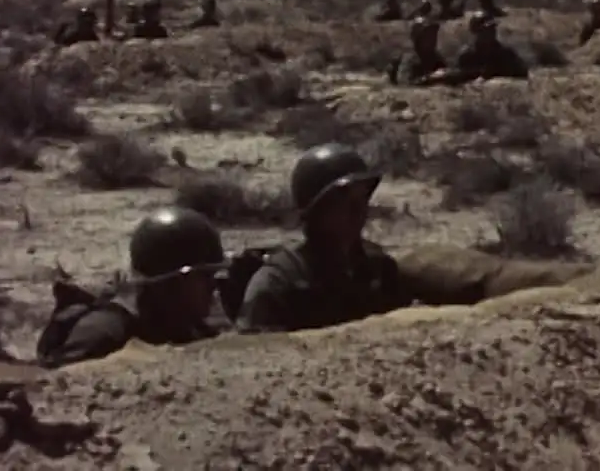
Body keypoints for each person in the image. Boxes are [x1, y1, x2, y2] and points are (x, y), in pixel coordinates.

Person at [236, 144, 410, 333]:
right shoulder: (279, 281)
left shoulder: (380, 269)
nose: (357, 211)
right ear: (316, 210)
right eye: (343, 202)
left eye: (361, 200)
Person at [35, 207, 229, 368]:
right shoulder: (104, 334)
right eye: (205, 276)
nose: (214, 287)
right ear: (169, 283)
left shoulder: (186, 326)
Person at [455, 12, 529, 82]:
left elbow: (522, 76)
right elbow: (458, 78)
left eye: (492, 29)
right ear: (476, 32)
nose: (492, 32)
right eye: (486, 30)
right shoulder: (467, 56)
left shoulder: (506, 54)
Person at [392, 16, 450, 86]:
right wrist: (429, 78)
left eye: (433, 35)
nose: (432, 39)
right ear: (419, 39)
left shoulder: (434, 56)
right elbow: (404, 83)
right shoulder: (410, 58)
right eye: (428, 36)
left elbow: (446, 72)